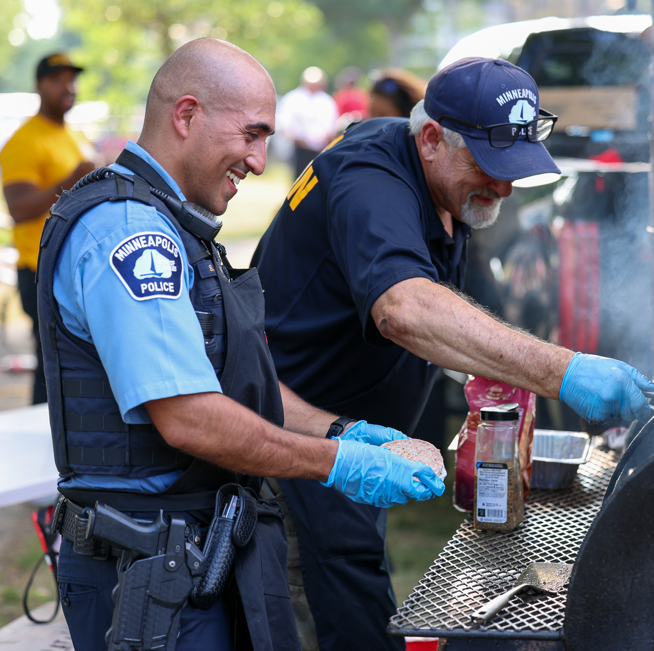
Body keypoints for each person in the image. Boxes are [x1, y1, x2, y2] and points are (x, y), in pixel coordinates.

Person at [39, 38, 443, 651]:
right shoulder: (129, 233)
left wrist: (338, 430)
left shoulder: (174, 226)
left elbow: (223, 379)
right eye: (250, 134)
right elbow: (189, 417)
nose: (259, 161)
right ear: (187, 115)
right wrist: (339, 465)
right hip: (146, 575)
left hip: (194, 559)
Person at [252, 57, 654, 651]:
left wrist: (482, 366)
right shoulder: (368, 175)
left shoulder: (441, 177)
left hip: (362, 432)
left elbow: (429, 300)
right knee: (338, 609)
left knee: (356, 583)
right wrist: (563, 369)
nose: (504, 187)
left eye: (514, 169)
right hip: (294, 430)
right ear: (432, 138)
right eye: (489, 167)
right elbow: (405, 309)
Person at [0, 53, 98, 404]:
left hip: (71, 265)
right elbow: (19, 208)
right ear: (39, 85)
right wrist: (71, 179)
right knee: (54, 361)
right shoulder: (24, 141)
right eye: (58, 79)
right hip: (40, 268)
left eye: (72, 79)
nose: (68, 87)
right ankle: (46, 436)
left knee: (73, 359)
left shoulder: (73, 134)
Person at [275, 66, 338, 178]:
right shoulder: (293, 98)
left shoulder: (326, 101)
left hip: (320, 149)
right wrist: (294, 136)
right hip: (299, 148)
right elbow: (283, 122)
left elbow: (331, 125)